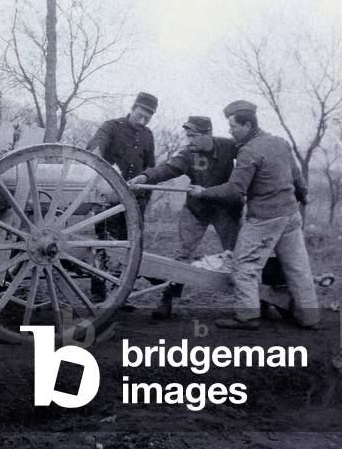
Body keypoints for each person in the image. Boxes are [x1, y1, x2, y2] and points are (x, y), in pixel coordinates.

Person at [186, 100, 320, 330]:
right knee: (298, 268)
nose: (230, 131)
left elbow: (234, 191)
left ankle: (246, 316)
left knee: (243, 265)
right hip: (290, 216)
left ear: (247, 125)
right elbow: (297, 177)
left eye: (233, 126)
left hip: (265, 218)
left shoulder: (248, 152)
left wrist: (203, 192)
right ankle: (310, 318)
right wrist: (304, 195)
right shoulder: (280, 142)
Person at [128, 115, 244, 319]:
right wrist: (145, 177)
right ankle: (168, 298)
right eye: (187, 136)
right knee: (182, 254)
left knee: (239, 253)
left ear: (208, 133)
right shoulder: (188, 154)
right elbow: (168, 169)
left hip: (225, 209)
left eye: (193, 135)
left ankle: (257, 299)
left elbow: (250, 155)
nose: (189, 140)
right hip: (197, 209)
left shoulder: (228, 146)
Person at [85, 92, 157, 302]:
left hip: (136, 201)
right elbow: (95, 147)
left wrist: (145, 195)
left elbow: (150, 166)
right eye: (140, 115)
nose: (143, 121)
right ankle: (98, 294)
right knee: (104, 243)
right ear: (133, 108)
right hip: (109, 199)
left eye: (147, 118)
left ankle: (121, 295)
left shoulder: (148, 135)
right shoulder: (111, 126)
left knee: (131, 247)